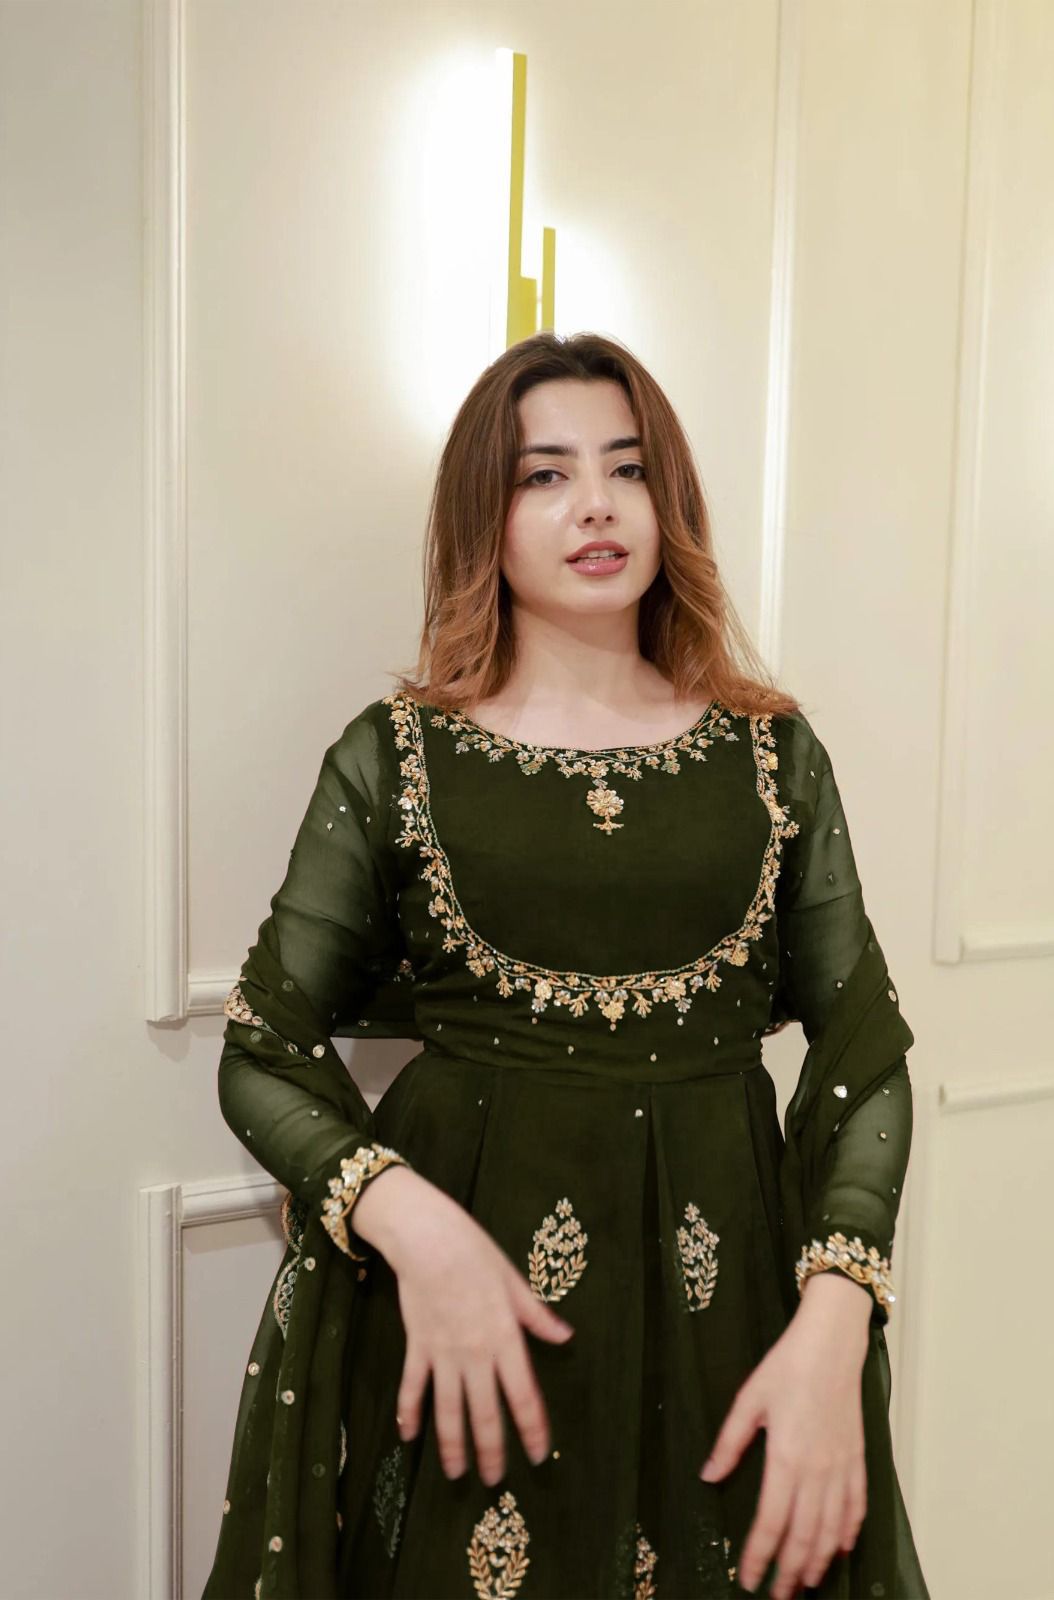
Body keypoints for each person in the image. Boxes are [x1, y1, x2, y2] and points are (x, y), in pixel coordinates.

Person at [202, 331, 929, 1600]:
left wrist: (834, 1320)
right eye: (543, 474)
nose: (594, 503)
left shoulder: (772, 757)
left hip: (727, 1314)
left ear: (667, 499)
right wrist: (410, 1223)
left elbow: (864, 1059)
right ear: (480, 517)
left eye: (626, 468)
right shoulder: (396, 755)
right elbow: (263, 1045)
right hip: (467, 1327)